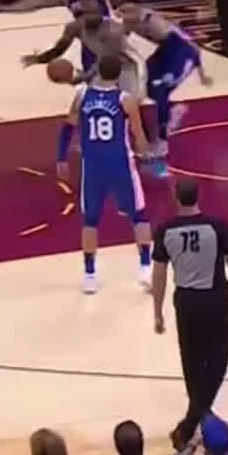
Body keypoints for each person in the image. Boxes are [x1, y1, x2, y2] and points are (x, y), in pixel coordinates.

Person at [151, 177, 228, 449]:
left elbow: (159, 275)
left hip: (186, 303)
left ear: (176, 197)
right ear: (199, 195)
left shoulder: (166, 231)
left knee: (192, 365)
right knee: (217, 363)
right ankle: (191, 425)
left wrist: (158, 312)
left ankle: (194, 423)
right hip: (215, 300)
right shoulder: (217, 226)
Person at [60, 54, 153, 293]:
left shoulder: (82, 95)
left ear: (98, 70)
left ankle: (89, 275)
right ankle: (145, 268)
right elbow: (139, 136)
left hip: (92, 165)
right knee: (139, 216)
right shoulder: (125, 99)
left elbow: (68, 127)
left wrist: (61, 158)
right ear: (119, 74)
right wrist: (148, 158)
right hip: (120, 163)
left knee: (90, 221)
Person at [118, 0, 213, 176]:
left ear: (135, 11)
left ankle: (162, 140)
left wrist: (202, 74)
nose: (123, 18)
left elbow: (189, 44)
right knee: (146, 85)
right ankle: (172, 109)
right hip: (164, 52)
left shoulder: (153, 21)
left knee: (160, 89)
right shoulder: (131, 22)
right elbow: (122, 37)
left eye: (125, 14)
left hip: (181, 53)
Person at [23, 2, 144, 100]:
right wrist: (39, 59)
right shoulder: (74, 27)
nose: (95, 17)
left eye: (97, 13)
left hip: (125, 66)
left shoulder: (111, 30)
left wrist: (84, 77)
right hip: (102, 66)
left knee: (127, 103)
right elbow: (59, 49)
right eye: (90, 14)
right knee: (93, 101)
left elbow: (107, 59)